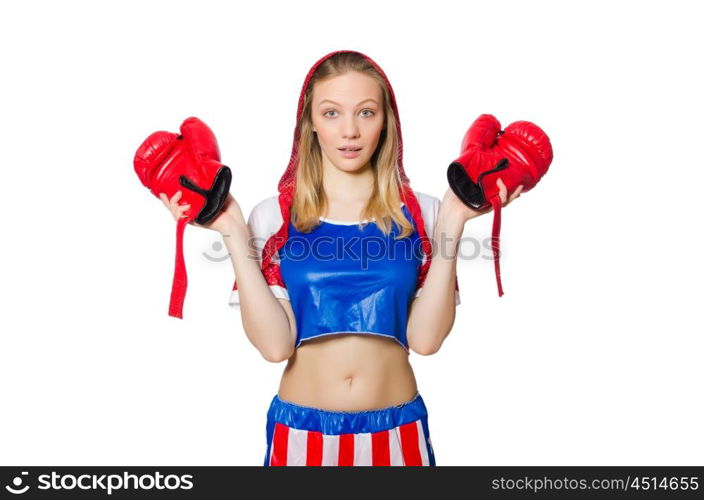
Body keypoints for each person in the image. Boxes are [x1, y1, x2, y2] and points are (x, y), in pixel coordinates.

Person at [160, 50, 522, 466]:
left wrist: (455, 219)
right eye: (331, 113)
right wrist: (231, 231)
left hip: (396, 431)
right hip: (301, 432)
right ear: (310, 123)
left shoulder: (424, 213)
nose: (350, 131)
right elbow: (276, 347)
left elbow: (426, 340)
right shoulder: (274, 215)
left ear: (387, 121)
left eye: (366, 113)